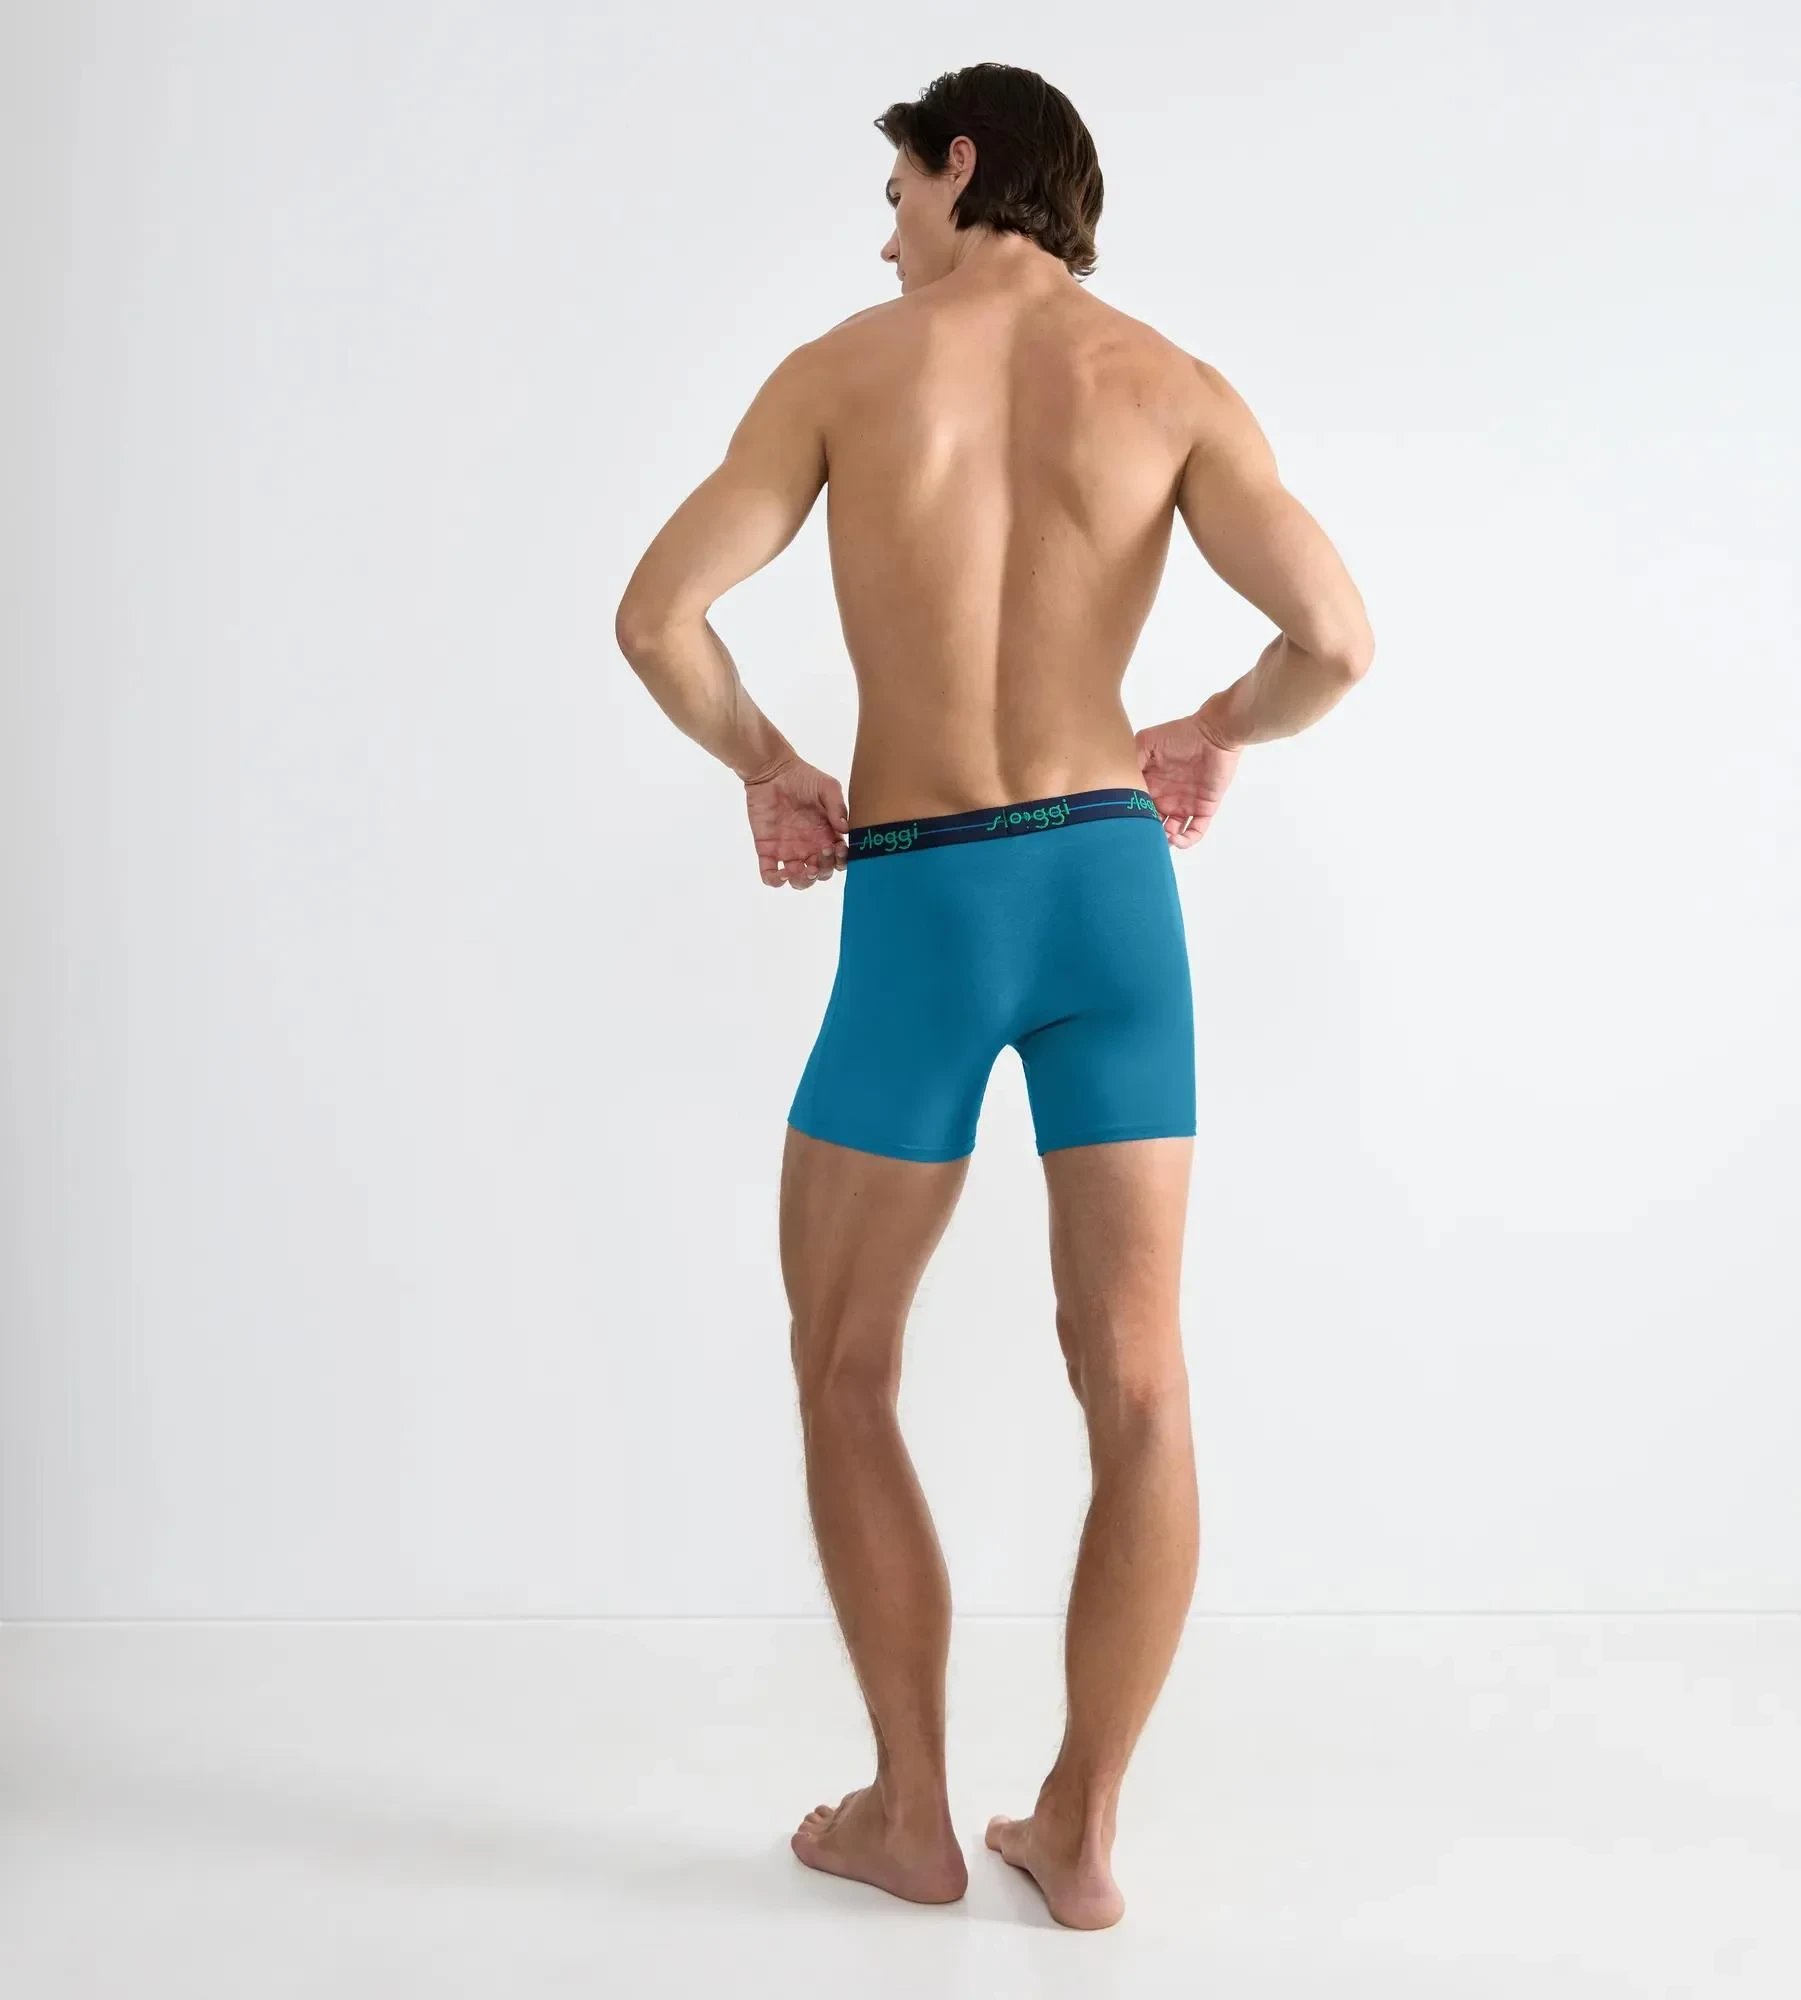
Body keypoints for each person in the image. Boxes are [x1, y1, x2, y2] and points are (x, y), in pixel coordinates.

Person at [614, 61, 1374, 1931]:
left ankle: (912, 1814)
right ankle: (1085, 1833)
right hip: (1114, 897)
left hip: (931, 900)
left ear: (964, 165)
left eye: (895, 199)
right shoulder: (1173, 384)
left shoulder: (841, 375)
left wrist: (771, 764)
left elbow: (655, 616)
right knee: (1140, 1378)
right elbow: (1337, 640)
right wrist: (1209, 726)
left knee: (845, 1363)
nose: (885, 244)